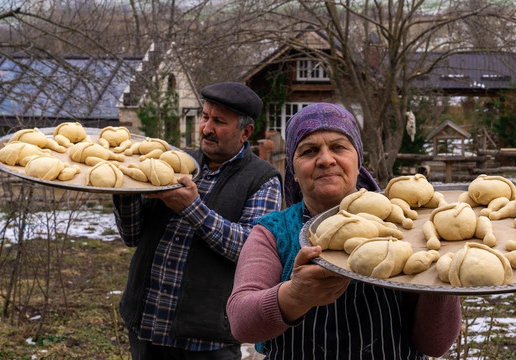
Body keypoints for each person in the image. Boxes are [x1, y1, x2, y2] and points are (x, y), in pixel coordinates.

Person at [226, 103, 462, 359]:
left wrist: (440, 279)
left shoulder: (406, 227)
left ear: (358, 161)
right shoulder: (273, 233)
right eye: (309, 151)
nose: (326, 159)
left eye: (338, 147)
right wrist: (294, 297)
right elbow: (240, 322)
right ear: (293, 171)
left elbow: (434, 345)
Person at [113, 82, 282, 360]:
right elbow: (133, 237)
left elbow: (251, 250)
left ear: (246, 132)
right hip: (146, 324)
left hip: (206, 341)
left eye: (219, 121)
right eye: (205, 117)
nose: (206, 128)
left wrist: (193, 208)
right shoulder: (177, 161)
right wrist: (124, 192)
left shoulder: (263, 179)